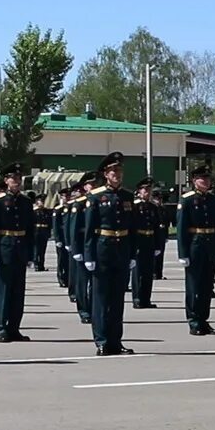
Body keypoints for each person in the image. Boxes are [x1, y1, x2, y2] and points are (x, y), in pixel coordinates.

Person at [82, 152, 136, 356]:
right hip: (102, 249)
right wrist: (89, 256)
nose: (117, 174)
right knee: (101, 298)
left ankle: (116, 340)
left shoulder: (127, 196)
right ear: (106, 174)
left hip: (121, 249)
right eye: (113, 171)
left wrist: (132, 254)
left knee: (117, 299)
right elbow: (89, 230)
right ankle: (102, 340)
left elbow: (132, 227)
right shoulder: (95, 197)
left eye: (119, 171)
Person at [0, 163, 35, 343]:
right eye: (13, 178)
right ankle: (2, 329)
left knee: (17, 293)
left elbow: (30, 230)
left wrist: (31, 254)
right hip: (4, 249)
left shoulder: (26, 202)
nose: (16, 182)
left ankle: (14, 328)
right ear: (6, 181)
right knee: (3, 292)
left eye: (19, 178)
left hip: (20, 250)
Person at [177, 165, 215, 336]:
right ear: (194, 181)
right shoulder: (187, 200)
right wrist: (183, 253)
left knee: (206, 286)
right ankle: (194, 320)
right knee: (194, 286)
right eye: (202, 179)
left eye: (207, 179)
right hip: (194, 245)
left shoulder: (212, 200)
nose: (206, 181)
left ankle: (204, 320)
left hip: (209, 245)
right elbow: (182, 229)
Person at [67, 172, 97, 323]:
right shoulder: (79, 204)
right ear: (85, 187)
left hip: (97, 247)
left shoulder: (99, 201)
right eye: (91, 184)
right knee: (82, 282)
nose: (94, 187)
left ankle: (95, 309)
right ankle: (84, 310)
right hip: (83, 246)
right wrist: (76, 249)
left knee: (96, 282)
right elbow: (73, 229)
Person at [130, 178, 161, 308]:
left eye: (149, 190)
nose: (147, 192)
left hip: (150, 240)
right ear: (138, 191)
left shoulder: (153, 207)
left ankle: (146, 299)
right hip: (139, 240)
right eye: (145, 190)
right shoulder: (134, 206)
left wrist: (158, 245)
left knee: (148, 272)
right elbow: (131, 227)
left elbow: (157, 227)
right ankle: (137, 298)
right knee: (138, 272)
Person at [53, 188, 70, 289]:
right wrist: (57, 239)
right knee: (61, 260)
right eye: (64, 196)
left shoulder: (70, 207)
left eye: (67, 196)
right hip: (62, 237)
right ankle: (61, 278)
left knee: (68, 260)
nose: (66, 198)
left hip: (69, 238)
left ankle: (68, 278)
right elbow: (55, 226)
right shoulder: (58, 209)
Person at [31, 192, 52, 271]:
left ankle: (41, 265)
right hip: (36, 231)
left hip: (44, 231)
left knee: (43, 250)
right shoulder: (33, 211)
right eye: (40, 201)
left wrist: (49, 232)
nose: (42, 203)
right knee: (36, 249)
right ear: (37, 202)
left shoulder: (46, 211)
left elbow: (50, 223)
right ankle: (36, 264)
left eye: (43, 201)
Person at [151, 189, 169, 280]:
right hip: (154, 234)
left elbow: (166, 223)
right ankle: (153, 272)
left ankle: (159, 273)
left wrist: (166, 235)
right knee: (154, 255)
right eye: (157, 199)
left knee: (161, 255)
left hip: (161, 234)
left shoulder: (163, 209)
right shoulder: (152, 208)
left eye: (160, 199)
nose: (159, 201)